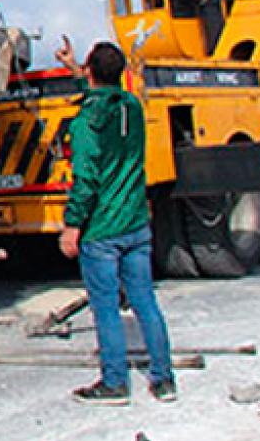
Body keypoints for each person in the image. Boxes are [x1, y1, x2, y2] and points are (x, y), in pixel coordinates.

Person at [55, 36, 176, 405]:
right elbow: (104, 93)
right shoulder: (131, 107)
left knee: (105, 308)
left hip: (102, 230)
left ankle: (115, 383)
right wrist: (78, 70)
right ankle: (163, 379)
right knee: (145, 302)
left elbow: (87, 180)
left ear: (91, 72)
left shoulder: (85, 123)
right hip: (136, 223)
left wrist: (72, 225)